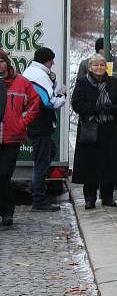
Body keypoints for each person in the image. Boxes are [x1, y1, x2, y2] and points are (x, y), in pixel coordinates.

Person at [71, 54, 117, 209]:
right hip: (90, 129)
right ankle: (90, 199)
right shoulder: (83, 82)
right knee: (90, 167)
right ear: (90, 67)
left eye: (102, 65)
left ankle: (107, 197)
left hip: (110, 129)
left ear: (106, 67)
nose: (99, 68)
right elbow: (76, 104)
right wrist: (96, 109)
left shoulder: (114, 82)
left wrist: (111, 108)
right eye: (95, 65)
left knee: (109, 165)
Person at [22, 47, 67, 212]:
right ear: (46, 61)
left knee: (49, 153)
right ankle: (38, 200)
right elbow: (49, 102)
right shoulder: (39, 76)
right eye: (51, 60)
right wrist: (63, 95)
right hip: (39, 125)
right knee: (41, 164)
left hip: (36, 124)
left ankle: (36, 191)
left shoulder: (32, 72)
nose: (53, 63)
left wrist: (53, 81)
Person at [0, 50, 40, 226]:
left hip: (12, 137)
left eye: (1, 61)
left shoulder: (21, 82)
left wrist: (22, 121)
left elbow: (34, 103)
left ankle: (7, 211)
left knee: (3, 175)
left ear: (7, 63)